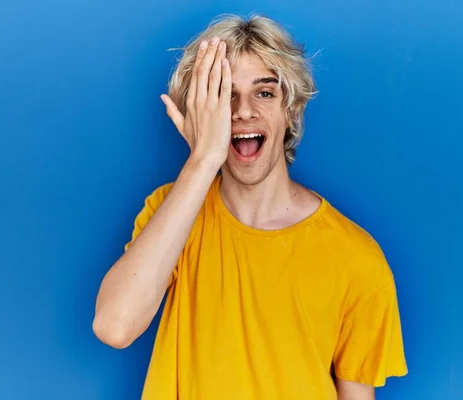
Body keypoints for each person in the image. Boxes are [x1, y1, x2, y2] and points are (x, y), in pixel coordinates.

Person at [93, 14, 408, 399]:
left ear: (290, 109)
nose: (243, 111)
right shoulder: (170, 212)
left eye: (264, 92)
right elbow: (115, 326)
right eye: (225, 94)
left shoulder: (358, 260)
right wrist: (203, 159)